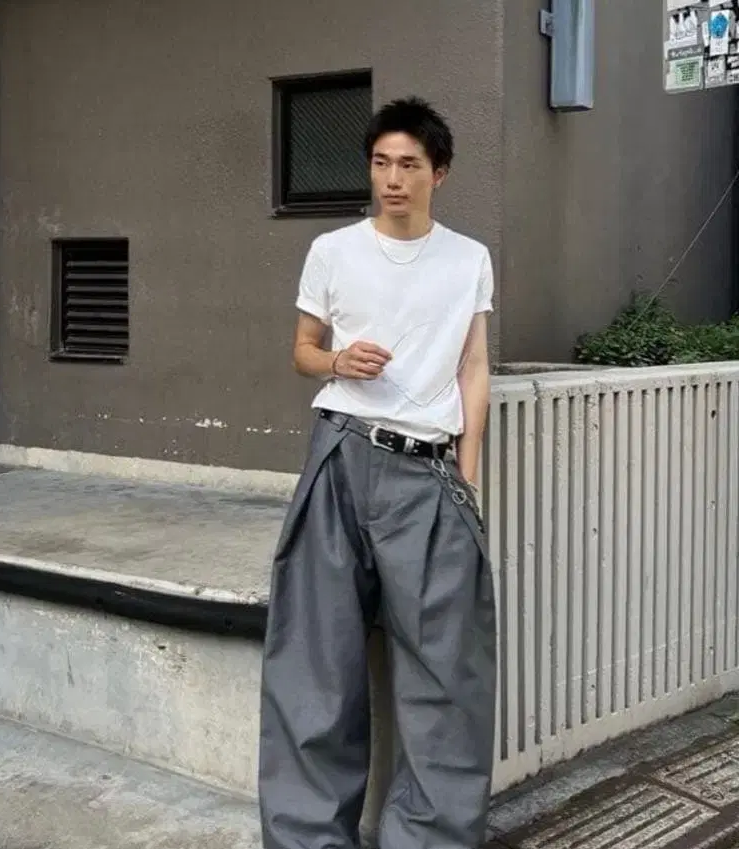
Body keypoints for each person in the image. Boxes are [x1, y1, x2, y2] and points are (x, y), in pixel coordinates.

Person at [258, 96, 497, 849]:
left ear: (438, 173)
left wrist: (468, 474)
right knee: (316, 661)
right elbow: (302, 351)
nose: (392, 179)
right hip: (340, 455)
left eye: (409, 165)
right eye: (380, 163)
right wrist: (338, 360)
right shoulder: (333, 250)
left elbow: (474, 366)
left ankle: (427, 838)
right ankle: (306, 837)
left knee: (444, 671)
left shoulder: (468, 258)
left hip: (428, 472)